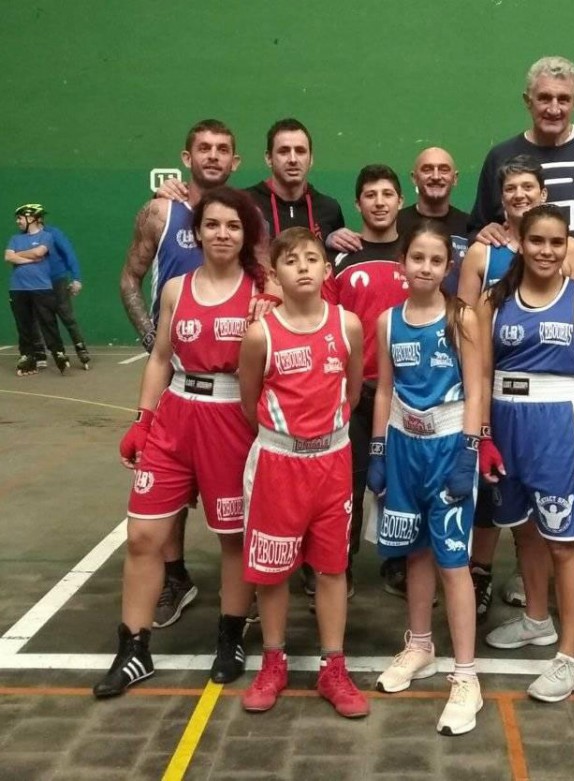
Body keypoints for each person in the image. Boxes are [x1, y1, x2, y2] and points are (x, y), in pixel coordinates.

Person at [94, 187, 266, 698]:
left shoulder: (262, 292)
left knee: (233, 538)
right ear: (198, 232)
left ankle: (231, 637)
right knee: (143, 536)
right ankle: (134, 649)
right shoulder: (175, 288)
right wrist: (143, 420)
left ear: (245, 234)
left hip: (233, 419)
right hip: (174, 418)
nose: (221, 234)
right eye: (212, 225)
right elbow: (161, 358)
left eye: (232, 226)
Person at [479, 204, 574, 703]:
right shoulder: (494, 301)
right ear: (520, 242)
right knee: (527, 531)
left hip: (560, 423)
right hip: (507, 421)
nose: (546, 251)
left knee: (564, 541)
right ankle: (536, 619)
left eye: (556, 243)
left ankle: (570, 657)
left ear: (567, 247)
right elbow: (481, 374)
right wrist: (485, 436)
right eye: (537, 241)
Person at [237, 226, 368, 718]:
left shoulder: (347, 325)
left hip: (333, 461)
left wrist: (321, 438)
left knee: (332, 568)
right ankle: (274, 662)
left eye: (312, 258)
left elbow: (351, 394)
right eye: (291, 261)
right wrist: (290, 439)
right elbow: (251, 402)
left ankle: (333, 666)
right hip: (278, 463)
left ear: (327, 268)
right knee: (272, 573)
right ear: (274, 273)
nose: (304, 267)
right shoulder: (260, 334)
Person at [120, 119, 242, 629]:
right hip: (172, 372)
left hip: (228, 384)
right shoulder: (160, 212)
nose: (212, 156)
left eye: (222, 150)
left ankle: (240, 604)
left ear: (234, 162)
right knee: (165, 495)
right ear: (186, 157)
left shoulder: (243, 216)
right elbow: (130, 278)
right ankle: (175, 577)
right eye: (203, 149)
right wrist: (156, 342)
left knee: (231, 498)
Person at [457, 154, 574, 620]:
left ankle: (568, 604)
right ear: (501, 197)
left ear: (543, 194)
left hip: (557, 402)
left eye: (528, 187)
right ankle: (485, 576)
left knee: (561, 516)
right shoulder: (483, 249)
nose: (519, 195)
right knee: (500, 502)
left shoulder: (569, 251)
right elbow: (465, 321)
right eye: (511, 188)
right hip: (497, 395)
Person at [369, 220, 484, 735]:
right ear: (402, 263)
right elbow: (382, 390)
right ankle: (419, 647)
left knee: (452, 562)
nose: (426, 267)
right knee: (414, 552)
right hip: (401, 446)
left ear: (447, 267)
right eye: (417, 257)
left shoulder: (461, 317)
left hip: (448, 447)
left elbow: (478, 388)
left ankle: (466, 674)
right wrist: (376, 451)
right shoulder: (388, 321)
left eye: (436, 260)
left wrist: (469, 451)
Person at [322, 164, 408, 596]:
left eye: (387, 193)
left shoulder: (415, 255)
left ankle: (398, 561)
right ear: (357, 204)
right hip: (354, 392)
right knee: (350, 482)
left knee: (402, 481)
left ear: (400, 201)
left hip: (408, 393)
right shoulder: (339, 259)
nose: (379, 201)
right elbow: (323, 322)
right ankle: (342, 562)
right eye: (370, 194)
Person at [468, 56, 574, 249]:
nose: (554, 109)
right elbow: (475, 229)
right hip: (517, 279)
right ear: (527, 101)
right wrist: (485, 232)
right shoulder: (500, 157)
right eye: (544, 98)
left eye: (563, 99)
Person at [159, 119, 345, 242]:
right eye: (283, 151)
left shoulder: (329, 208)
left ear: (311, 158)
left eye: (301, 151)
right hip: (257, 302)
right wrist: (166, 191)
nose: (293, 159)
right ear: (268, 158)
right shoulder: (242, 203)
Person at [329, 147, 469, 293]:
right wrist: (329, 238)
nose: (435, 176)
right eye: (427, 169)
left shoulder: (471, 225)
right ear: (414, 178)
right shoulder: (397, 222)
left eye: (444, 169)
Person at [5, 204, 69, 375]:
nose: (17, 221)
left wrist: (20, 255)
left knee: (48, 322)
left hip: (41, 287)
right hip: (18, 289)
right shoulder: (14, 238)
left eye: (20, 218)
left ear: (31, 218)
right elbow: (8, 256)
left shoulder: (46, 236)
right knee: (24, 325)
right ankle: (27, 355)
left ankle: (58, 352)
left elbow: (39, 253)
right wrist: (29, 257)